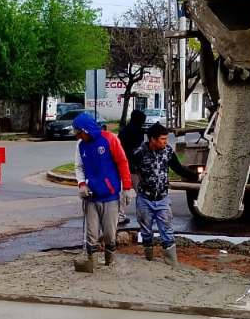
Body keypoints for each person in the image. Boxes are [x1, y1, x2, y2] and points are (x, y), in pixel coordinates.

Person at [132, 123, 200, 267]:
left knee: (167, 230)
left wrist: (197, 177)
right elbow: (130, 168)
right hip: (144, 199)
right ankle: (149, 260)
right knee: (146, 231)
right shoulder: (139, 152)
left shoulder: (167, 151)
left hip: (162, 199)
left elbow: (179, 169)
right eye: (163, 139)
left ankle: (171, 263)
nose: (166, 142)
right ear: (153, 139)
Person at [73, 112, 133, 268]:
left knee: (109, 234)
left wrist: (126, 188)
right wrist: (81, 184)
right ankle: (91, 264)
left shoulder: (110, 139)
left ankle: (109, 262)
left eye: (79, 132)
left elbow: (122, 163)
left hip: (110, 196)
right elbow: (78, 167)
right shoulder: (80, 145)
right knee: (91, 234)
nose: (78, 136)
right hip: (91, 196)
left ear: (86, 130)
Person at [116, 109, 148, 225]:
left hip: (121, 164)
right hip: (134, 166)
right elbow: (138, 149)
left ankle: (120, 216)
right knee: (141, 191)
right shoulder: (139, 131)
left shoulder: (123, 130)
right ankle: (144, 215)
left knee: (123, 191)